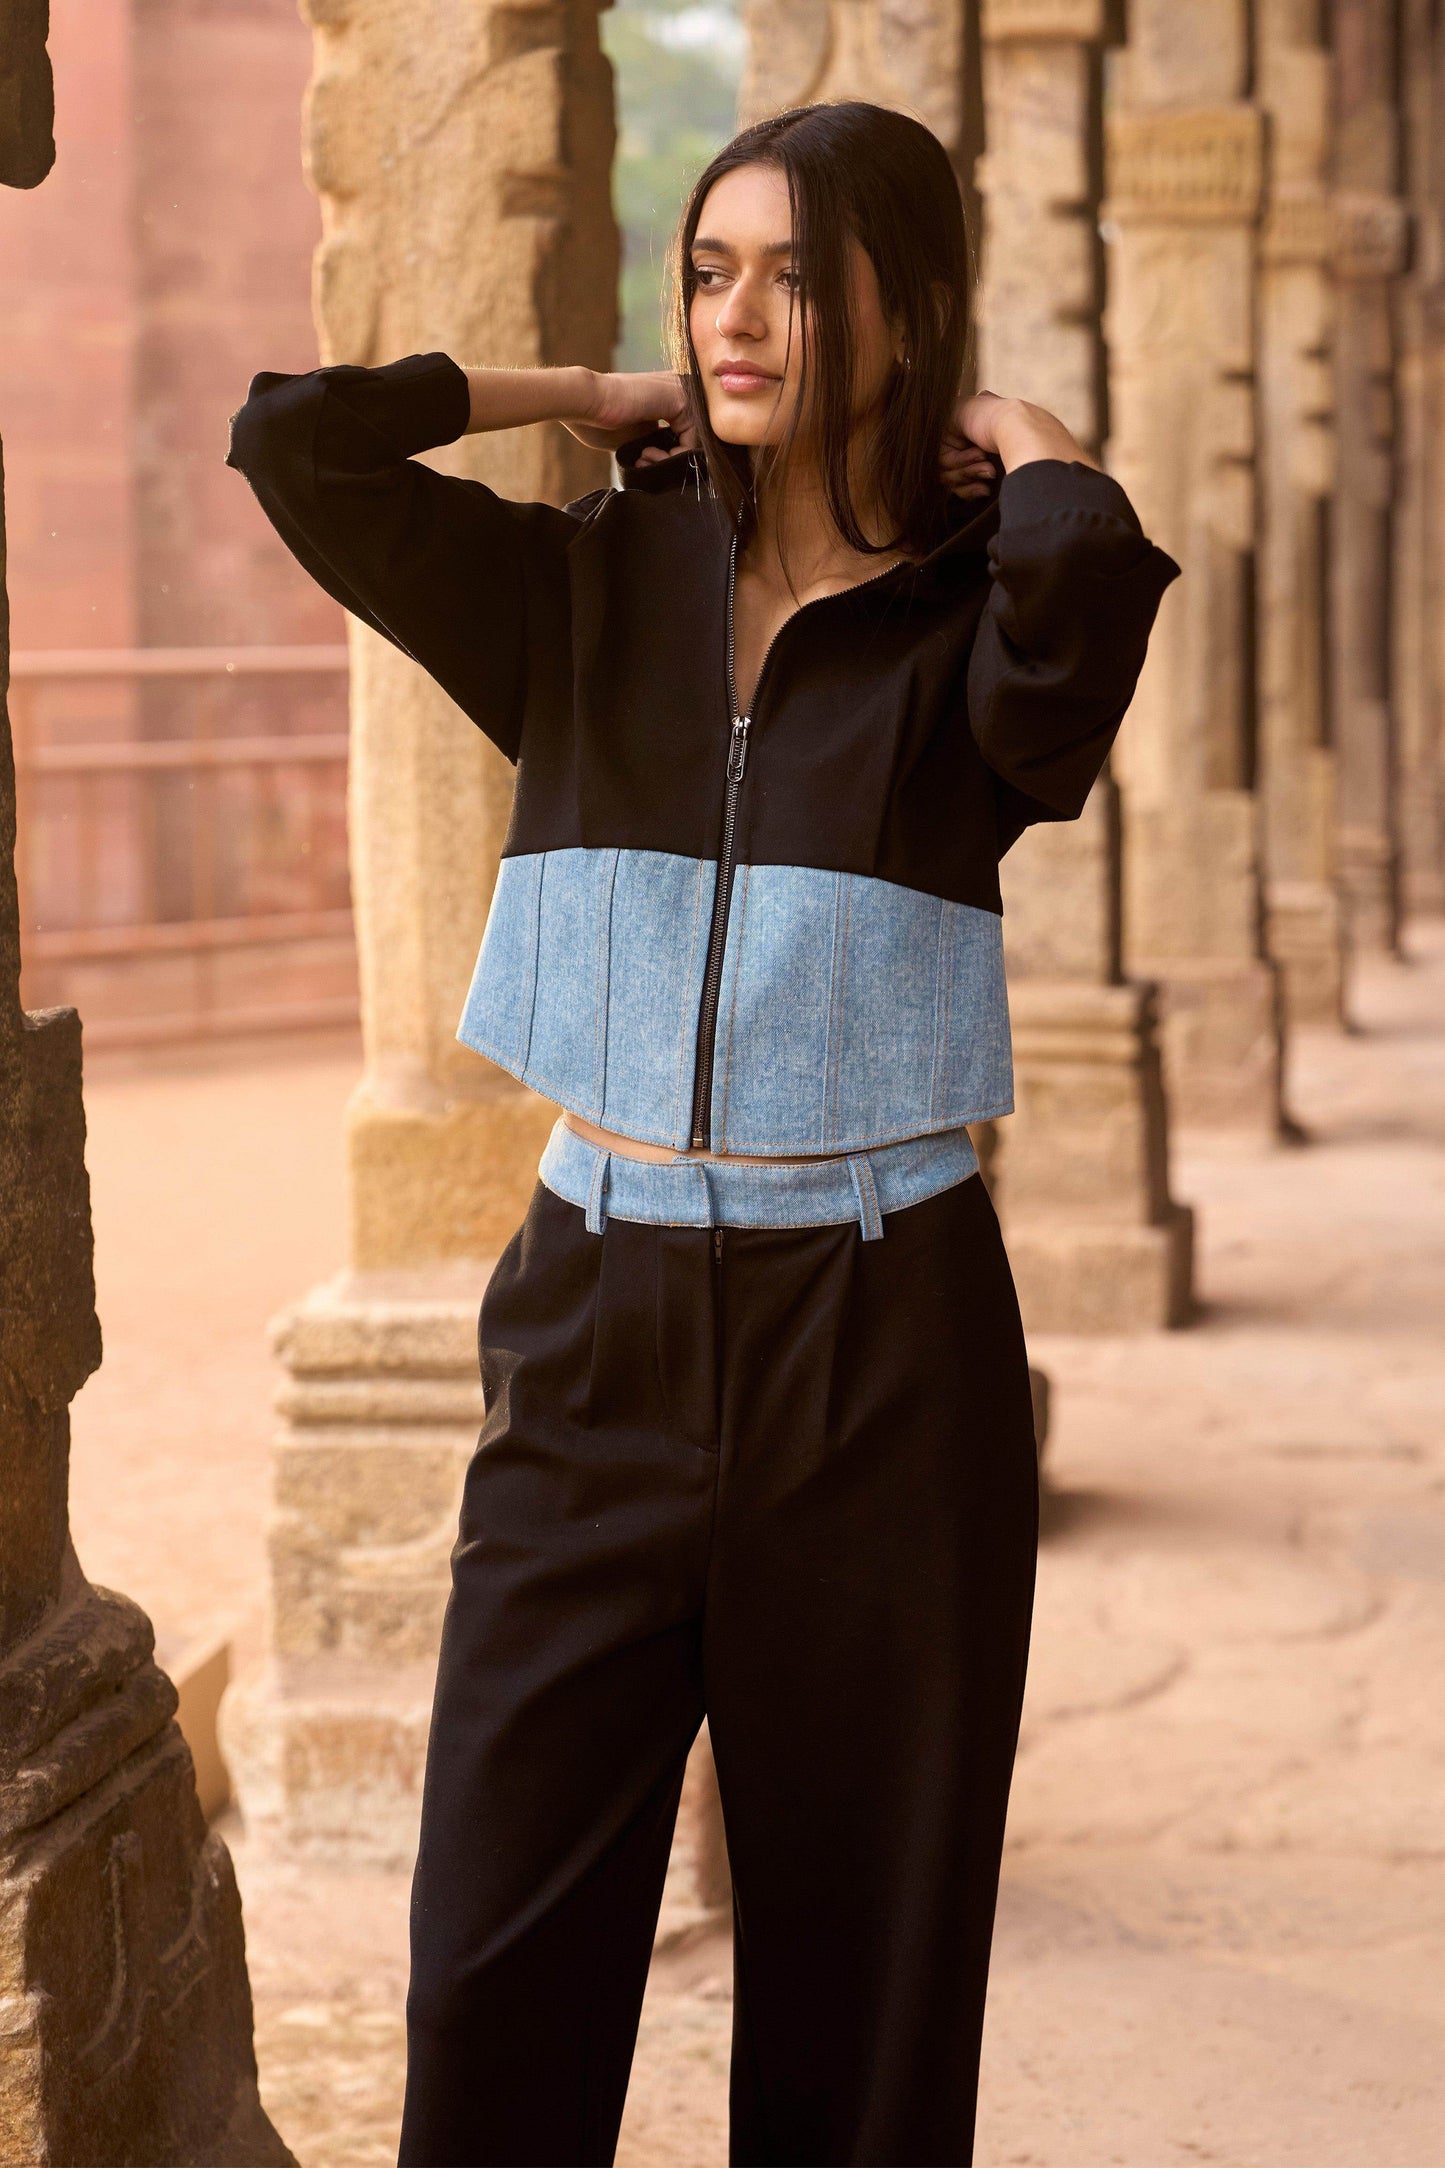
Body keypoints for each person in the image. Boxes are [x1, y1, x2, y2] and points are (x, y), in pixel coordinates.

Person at [228, 97, 1179, 2168]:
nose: (734, 316)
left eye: (795, 279)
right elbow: (298, 441)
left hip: (885, 1346)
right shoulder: (582, 587)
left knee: (862, 2010)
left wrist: (1011, 426)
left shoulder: (966, 636)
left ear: (902, 310)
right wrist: (589, 394)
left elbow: (1084, 601)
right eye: (707, 271)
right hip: (595, 1323)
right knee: (492, 1986)